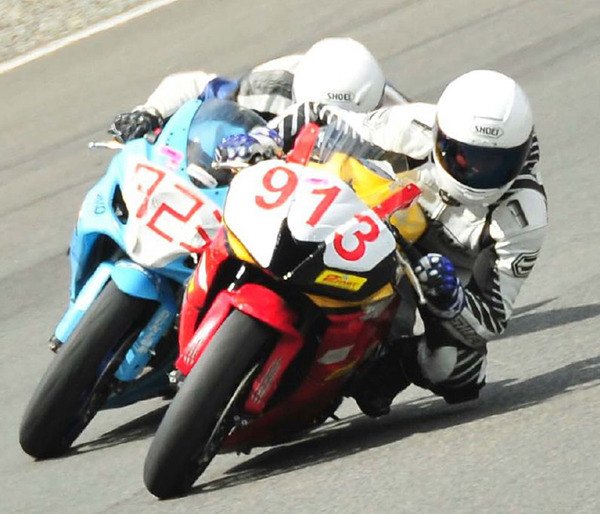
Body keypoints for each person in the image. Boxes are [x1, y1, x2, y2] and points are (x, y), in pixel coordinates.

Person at [219, 69, 547, 416]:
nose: (476, 173)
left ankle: (389, 367)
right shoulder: (416, 124)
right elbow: (318, 113)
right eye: (463, 157)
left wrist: (450, 298)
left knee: (456, 368)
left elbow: (493, 318)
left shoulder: (523, 218)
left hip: (429, 276)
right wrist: (264, 137)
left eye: (494, 163)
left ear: (520, 154)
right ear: (441, 135)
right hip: (373, 216)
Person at [109, 37, 410, 144]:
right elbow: (196, 85)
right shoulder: (269, 87)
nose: (318, 120)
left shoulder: (395, 117)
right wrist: (149, 112)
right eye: (315, 113)